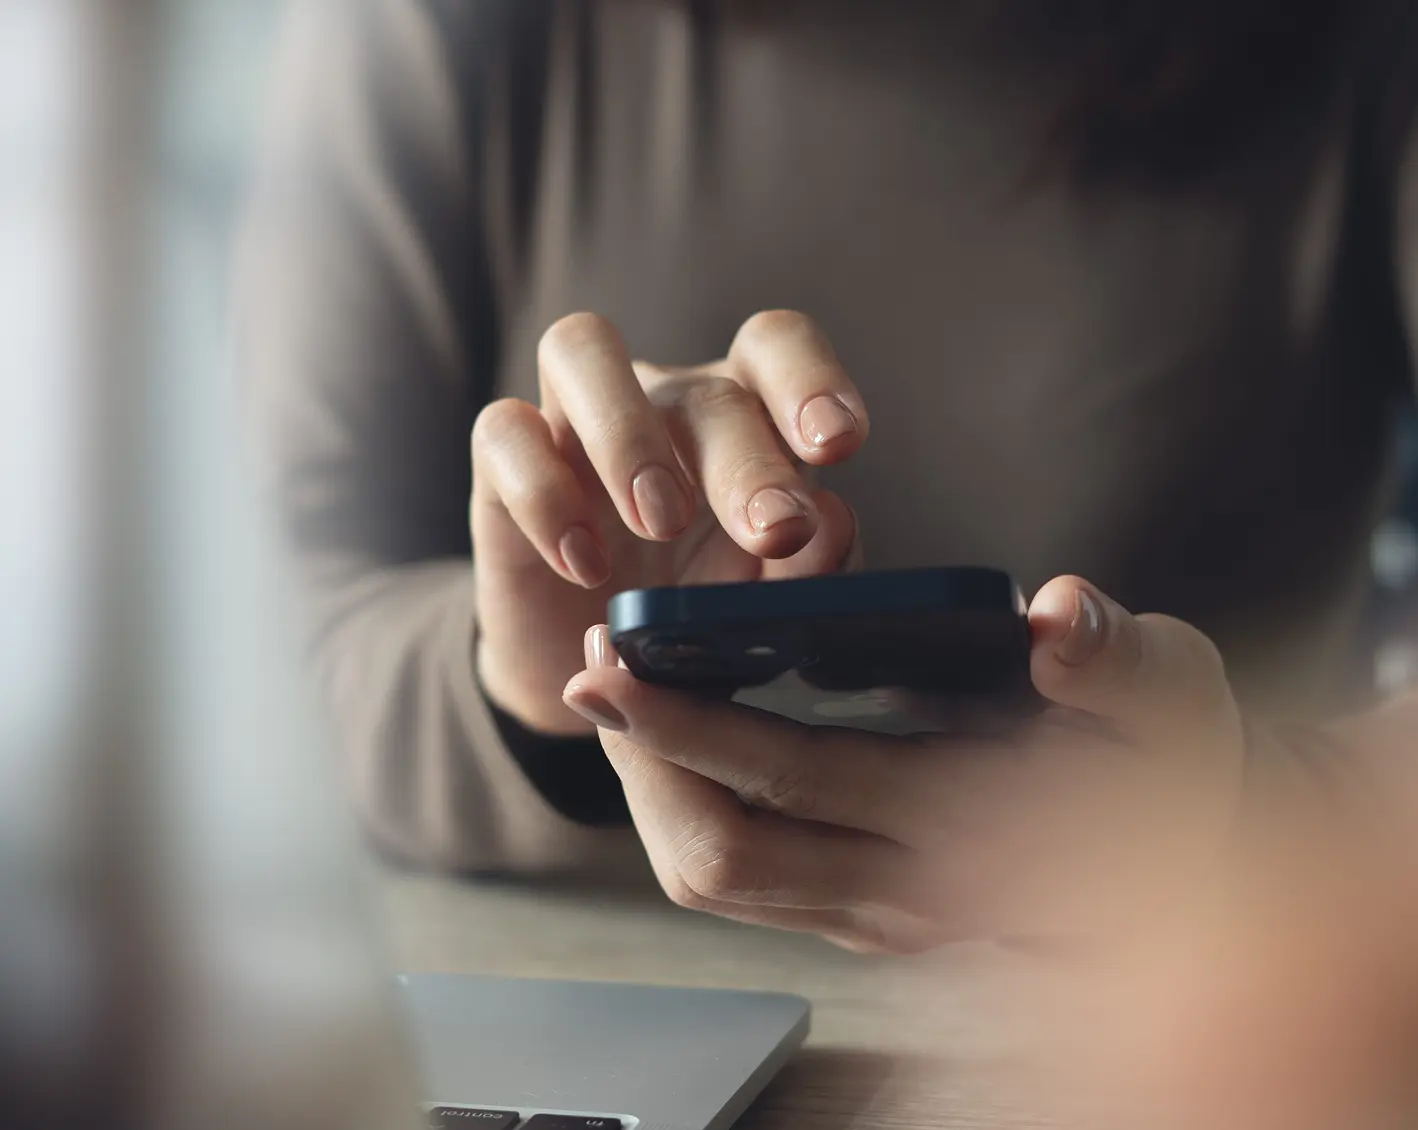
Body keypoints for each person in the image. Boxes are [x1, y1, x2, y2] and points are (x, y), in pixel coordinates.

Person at [239, 2, 1418, 1107]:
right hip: (569, 1038)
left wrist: (1251, 819)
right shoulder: (432, 26)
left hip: (1206, 1059)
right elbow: (267, 662)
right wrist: (522, 687)